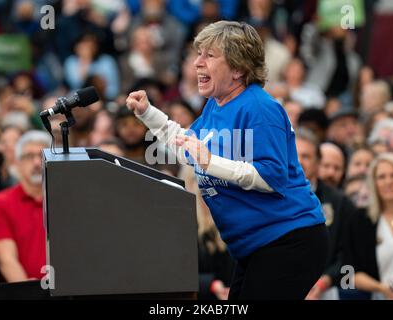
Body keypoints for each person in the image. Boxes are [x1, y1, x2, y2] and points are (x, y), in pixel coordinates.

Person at [126, 20, 328, 300]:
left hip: (289, 239)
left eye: (209, 55)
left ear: (238, 69)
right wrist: (149, 114)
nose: (197, 62)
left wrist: (210, 162)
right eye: (198, 54)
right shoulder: (215, 106)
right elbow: (187, 146)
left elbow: (272, 177)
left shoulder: (260, 107)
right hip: (256, 246)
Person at [343, 153, 393, 300]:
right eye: (381, 177)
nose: (388, 182)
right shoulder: (359, 220)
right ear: (373, 183)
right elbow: (347, 273)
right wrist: (380, 288)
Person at [295, 128, 356, 300]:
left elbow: (348, 255)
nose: (299, 161)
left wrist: (326, 280)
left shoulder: (340, 203)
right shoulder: (270, 196)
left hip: (327, 292)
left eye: (306, 156)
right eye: (294, 154)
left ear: (318, 162)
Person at [0, 131, 51, 282]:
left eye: (42, 156)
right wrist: (29, 292)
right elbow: (7, 259)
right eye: (28, 156)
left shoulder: (67, 200)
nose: (35, 163)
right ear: (17, 163)